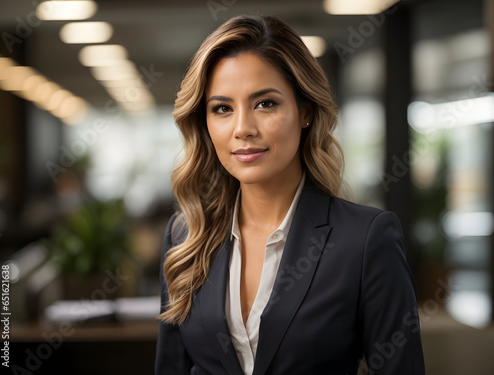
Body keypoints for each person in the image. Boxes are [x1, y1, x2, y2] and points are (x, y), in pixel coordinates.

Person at [155, 14, 425, 375]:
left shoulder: (364, 240)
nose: (243, 129)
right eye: (222, 108)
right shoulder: (185, 235)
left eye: (265, 103)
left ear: (306, 112)